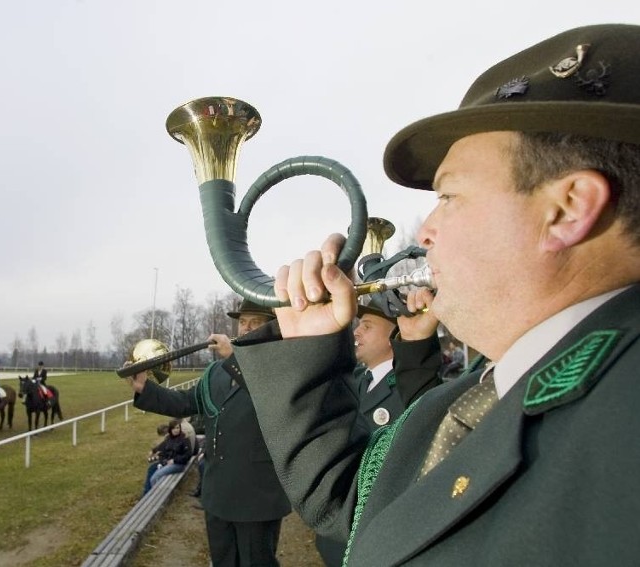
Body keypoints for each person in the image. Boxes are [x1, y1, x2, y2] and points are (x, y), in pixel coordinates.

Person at [231, 24, 640, 565]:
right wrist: (307, 354)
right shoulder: (476, 395)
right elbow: (359, 506)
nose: (425, 233)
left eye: (450, 195)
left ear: (566, 210)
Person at [128, 299, 291, 567]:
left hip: (257, 498)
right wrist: (145, 388)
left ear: (271, 328)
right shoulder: (217, 370)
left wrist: (234, 358)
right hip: (218, 495)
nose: (246, 328)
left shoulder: (280, 366)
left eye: (255, 322)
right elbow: (187, 402)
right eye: (242, 322)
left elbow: (273, 399)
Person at [314, 297, 442, 566]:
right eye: (359, 325)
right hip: (341, 524)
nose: (357, 332)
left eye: (368, 326)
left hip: (379, 528)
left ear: (393, 336)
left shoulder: (411, 388)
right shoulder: (355, 381)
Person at [142, 419, 193, 495]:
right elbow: (161, 446)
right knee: (151, 469)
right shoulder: (169, 438)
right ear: (170, 429)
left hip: (178, 464)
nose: (176, 430)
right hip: (167, 461)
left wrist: (174, 460)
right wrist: (153, 451)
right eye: (174, 428)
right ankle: (146, 493)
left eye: (178, 428)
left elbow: (188, 455)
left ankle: (154, 496)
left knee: (155, 477)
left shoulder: (184, 439)